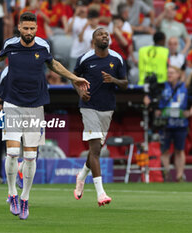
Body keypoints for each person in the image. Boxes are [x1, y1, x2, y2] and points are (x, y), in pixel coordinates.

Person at [0, 12, 89, 220]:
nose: (29, 32)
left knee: (29, 156)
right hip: (12, 105)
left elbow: (54, 64)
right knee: (11, 153)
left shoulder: (43, 46)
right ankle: (12, 193)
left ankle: (25, 198)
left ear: (36, 29)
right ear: (19, 27)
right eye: (25, 28)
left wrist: (74, 77)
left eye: (32, 29)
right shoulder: (11, 45)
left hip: (36, 107)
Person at [72, 27, 128, 207]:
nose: (104, 36)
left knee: (94, 150)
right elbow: (74, 78)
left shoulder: (117, 58)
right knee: (96, 148)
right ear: (93, 40)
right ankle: (101, 193)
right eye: (100, 34)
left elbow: (125, 84)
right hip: (89, 108)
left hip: (107, 109)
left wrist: (114, 81)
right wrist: (81, 93)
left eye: (106, 34)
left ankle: (81, 176)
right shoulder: (85, 59)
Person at [156, 66, 192, 182]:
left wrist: (191, 110)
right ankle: (166, 174)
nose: (169, 75)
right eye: (168, 73)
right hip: (165, 123)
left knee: (179, 150)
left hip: (180, 123)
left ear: (178, 74)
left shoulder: (185, 87)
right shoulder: (162, 87)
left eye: (172, 73)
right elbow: (157, 101)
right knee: (165, 150)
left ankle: (179, 176)